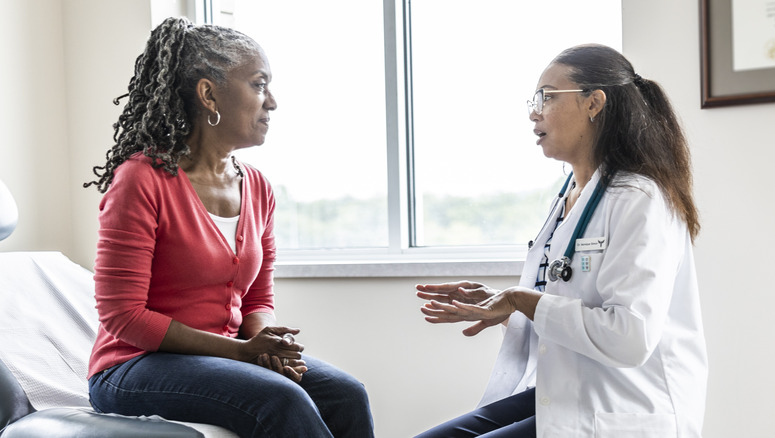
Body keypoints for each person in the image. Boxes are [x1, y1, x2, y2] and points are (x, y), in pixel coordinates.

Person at [83, 17, 374, 438]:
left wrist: (265, 344)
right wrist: (241, 352)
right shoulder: (140, 180)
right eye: (258, 84)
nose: (271, 102)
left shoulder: (257, 186)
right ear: (208, 94)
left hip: (225, 355)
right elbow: (122, 316)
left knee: (347, 394)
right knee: (281, 398)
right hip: (132, 366)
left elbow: (257, 296)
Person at [414, 44, 707, 437]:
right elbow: (568, 300)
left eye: (547, 97)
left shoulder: (639, 199)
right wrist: (505, 306)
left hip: (623, 404)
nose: (535, 112)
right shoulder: (572, 192)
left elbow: (629, 337)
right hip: (569, 389)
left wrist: (521, 299)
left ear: (594, 103)